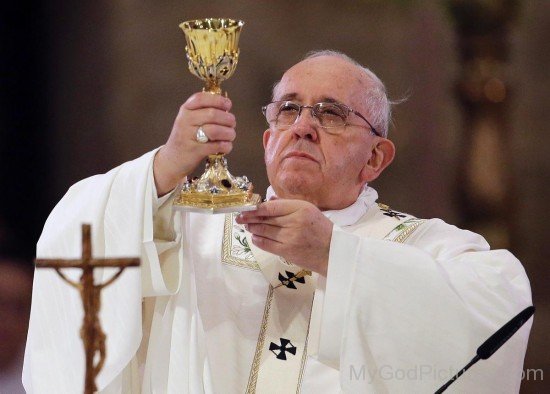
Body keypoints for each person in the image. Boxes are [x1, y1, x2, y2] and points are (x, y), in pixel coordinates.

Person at [23, 50, 532, 393]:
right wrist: (165, 164)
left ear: (376, 158)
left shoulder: (421, 246)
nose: (303, 127)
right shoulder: (188, 229)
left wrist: (337, 253)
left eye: (331, 114)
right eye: (288, 110)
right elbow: (78, 237)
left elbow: (502, 307)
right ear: (268, 142)